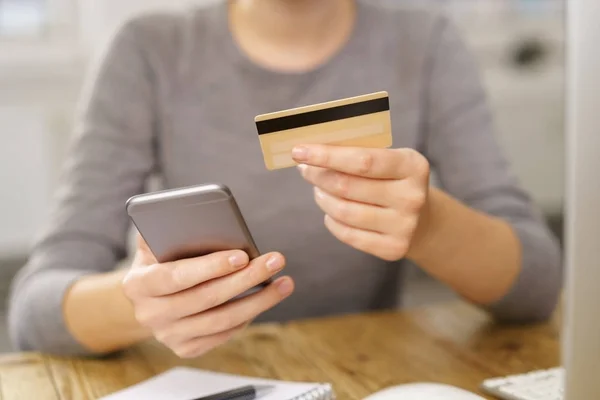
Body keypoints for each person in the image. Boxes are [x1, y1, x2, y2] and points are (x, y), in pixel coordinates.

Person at [8, 0, 562, 358]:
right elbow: (33, 315)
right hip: (204, 375)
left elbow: (536, 285)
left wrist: (430, 225)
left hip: (366, 365)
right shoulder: (148, 50)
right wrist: (137, 305)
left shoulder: (427, 41)